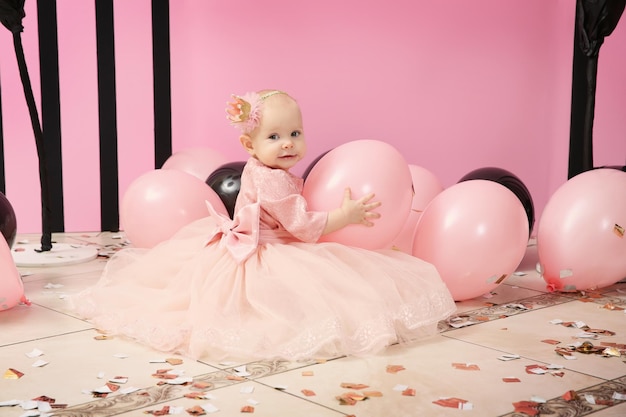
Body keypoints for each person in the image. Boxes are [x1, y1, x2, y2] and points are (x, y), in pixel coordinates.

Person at [71, 90, 456, 361]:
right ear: (249, 145)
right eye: (274, 137)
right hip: (269, 245)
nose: (288, 144)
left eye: (295, 134)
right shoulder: (272, 179)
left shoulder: (268, 168)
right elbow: (302, 226)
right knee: (280, 298)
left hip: (262, 239)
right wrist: (346, 216)